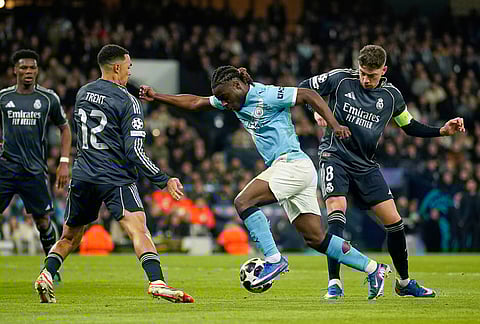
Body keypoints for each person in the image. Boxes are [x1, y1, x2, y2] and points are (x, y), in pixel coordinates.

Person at [140, 65, 392, 300]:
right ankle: (374, 268)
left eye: (226, 97)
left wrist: (335, 124)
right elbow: (195, 102)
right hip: (295, 169)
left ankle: (273, 259)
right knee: (316, 238)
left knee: (243, 201)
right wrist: (158, 96)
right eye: (221, 99)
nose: (224, 103)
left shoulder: (267, 94)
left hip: (292, 164)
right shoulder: (232, 100)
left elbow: (307, 94)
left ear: (239, 85)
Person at [298, 44, 465, 299]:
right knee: (336, 210)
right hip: (335, 156)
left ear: (383, 70)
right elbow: (304, 89)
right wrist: (317, 111)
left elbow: (408, 125)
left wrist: (440, 131)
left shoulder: (392, 96)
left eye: (372, 75)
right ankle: (335, 283)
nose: (366, 79)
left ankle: (405, 283)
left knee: (395, 223)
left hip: (365, 165)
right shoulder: (340, 79)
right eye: (363, 72)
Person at [34, 44, 194, 304]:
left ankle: (46, 274)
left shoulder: (84, 92)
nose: (130, 72)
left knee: (70, 236)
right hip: (115, 176)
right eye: (129, 67)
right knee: (139, 230)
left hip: (83, 174)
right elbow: (135, 152)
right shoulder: (127, 100)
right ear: (117, 67)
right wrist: (164, 179)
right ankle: (157, 282)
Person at [0, 49, 71, 279]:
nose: (28, 71)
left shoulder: (48, 98)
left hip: (34, 170)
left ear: (37, 70)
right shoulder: (3, 98)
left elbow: (65, 128)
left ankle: (52, 268)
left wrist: (63, 161)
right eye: (23, 67)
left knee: (42, 222)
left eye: (32, 67)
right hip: (6, 168)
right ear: (15, 70)